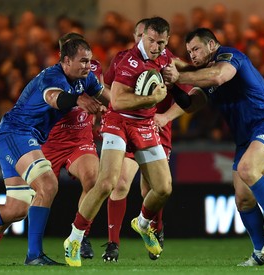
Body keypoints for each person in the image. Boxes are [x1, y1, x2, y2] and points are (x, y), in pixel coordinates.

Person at [0, 37, 104, 266]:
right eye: (83, 61)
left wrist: (143, 103)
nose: (88, 65)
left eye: (89, 61)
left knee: (16, 209)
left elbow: (111, 98)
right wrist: (78, 100)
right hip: (16, 133)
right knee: (47, 185)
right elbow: (54, 98)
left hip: (25, 137)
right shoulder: (51, 77)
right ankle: (34, 255)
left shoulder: (86, 78)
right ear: (66, 60)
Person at [162, 28, 264, 267]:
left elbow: (218, 76)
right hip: (245, 139)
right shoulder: (204, 75)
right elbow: (191, 104)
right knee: (243, 200)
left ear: (212, 45)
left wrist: (180, 75)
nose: (193, 56)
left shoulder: (231, 58)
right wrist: (171, 93)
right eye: (189, 52)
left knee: (247, 167)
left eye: (196, 49)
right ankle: (262, 253)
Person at [63, 17, 172, 267]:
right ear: (142, 36)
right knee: (106, 184)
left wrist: (177, 72)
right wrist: (151, 99)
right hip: (118, 122)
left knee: (164, 188)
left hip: (144, 125)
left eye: (161, 42)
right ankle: (75, 238)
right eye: (151, 41)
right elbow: (119, 102)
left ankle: (143, 224)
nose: (156, 46)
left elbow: (174, 66)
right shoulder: (129, 61)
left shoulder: (164, 56)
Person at [101, 18, 188, 262]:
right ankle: (112, 245)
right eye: (144, 38)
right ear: (137, 36)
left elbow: (191, 96)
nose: (150, 44)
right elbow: (105, 87)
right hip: (127, 125)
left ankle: (153, 228)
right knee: (119, 183)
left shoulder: (169, 61)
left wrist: (166, 115)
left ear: (165, 41)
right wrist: (112, 109)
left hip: (158, 128)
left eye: (158, 41)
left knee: (153, 188)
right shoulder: (123, 59)